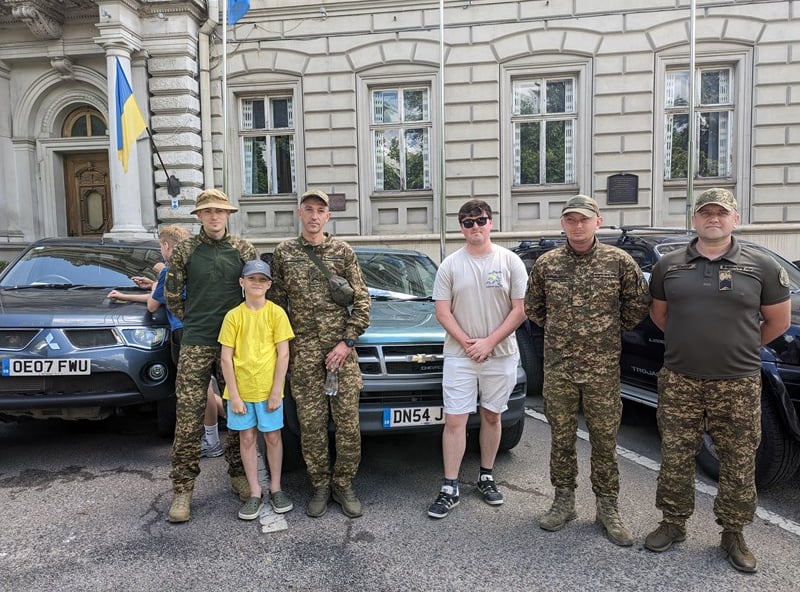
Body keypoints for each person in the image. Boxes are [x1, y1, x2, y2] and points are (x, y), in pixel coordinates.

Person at [644, 188, 791, 572]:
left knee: (738, 461)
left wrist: (739, 347)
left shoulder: (760, 267)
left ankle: (733, 533)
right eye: (705, 212)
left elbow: (779, 322)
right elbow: (661, 316)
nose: (713, 218)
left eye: (721, 213)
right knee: (676, 457)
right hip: (680, 380)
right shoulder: (669, 266)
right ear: (694, 220)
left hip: (737, 383)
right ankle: (673, 523)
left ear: (735, 220)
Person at [525, 194, 650, 546]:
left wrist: (604, 331)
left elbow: (637, 305)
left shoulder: (618, 261)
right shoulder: (547, 264)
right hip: (560, 368)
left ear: (598, 221)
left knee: (604, 440)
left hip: (602, 369)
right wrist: (566, 332)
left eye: (583, 219)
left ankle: (607, 506)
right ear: (563, 224)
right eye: (570, 220)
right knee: (561, 438)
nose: (577, 226)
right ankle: (563, 500)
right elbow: (534, 307)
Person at [269, 189, 370, 518]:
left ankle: (343, 484)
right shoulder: (284, 253)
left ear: (328, 216)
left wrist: (347, 342)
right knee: (311, 426)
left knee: (347, 426)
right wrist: (283, 349)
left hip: (341, 355)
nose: (314, 216)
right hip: (303, 357)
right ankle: (320, 485)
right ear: (300, 213)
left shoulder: (342, 251)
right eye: (308, 209)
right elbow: (277, 306)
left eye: (320, 211)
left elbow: (363, 303)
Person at [426, 199, 528, 519]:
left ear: (491, 223)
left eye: (480, 220)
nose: (475, 227)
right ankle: (450, 486)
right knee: (455, 420)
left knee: (492, 416)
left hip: (500, 355)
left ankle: (486, 476)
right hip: (461, 355)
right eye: (468, 222)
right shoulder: (450, 265)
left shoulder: (510, 261)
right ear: (461, 228)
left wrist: (489, 342)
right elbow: (442, 311)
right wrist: (469, 343)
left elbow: (520, 309)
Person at [164, 188, 257, 523]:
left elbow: (256, 288)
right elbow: (172, 293)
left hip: (235, 343)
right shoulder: (187, 250)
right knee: (188, 417)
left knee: (237, 410)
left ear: (228, 215)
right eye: (208, 212)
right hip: (197, 341)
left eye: (220, 211)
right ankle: (183, 490)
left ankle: (237, 474)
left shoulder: (243, 249)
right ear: (200, 217)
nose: (215, 217)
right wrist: (192, 321)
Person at [219, 259, 295, 520]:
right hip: (240, 392)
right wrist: (235, 395)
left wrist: (277, 390)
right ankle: (254, 491)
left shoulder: (276, 314)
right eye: (252, 279)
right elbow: (226, 358)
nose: (257, 284)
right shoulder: (233, 316)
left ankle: (275, 488)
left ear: (269, 285)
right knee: (247, 438)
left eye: (262, 280)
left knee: (273, 437)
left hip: (268, 390)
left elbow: (283, 354)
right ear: (242, 282)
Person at [149, 225, 226, 458]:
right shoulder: (196, 266)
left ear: (166, 246)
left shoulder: (169, 269)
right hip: (208, 331)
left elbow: (153, 304)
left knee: (199, 392)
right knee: (211, 386)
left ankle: (211, 441)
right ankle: (226, 429)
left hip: (183, 334)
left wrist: (154, 285)